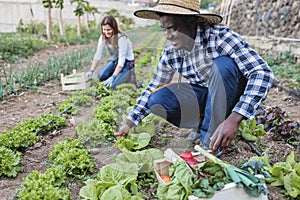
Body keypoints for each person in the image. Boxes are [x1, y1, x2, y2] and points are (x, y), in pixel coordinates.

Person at [114, 0, 274, 153]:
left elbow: (261, 73)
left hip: (231, 98)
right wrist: (130, 122)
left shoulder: (219, 37)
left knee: (223, 66)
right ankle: (203, 125)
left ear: (191, 23)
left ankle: (209, 142)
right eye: (165, 30)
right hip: (207, 97)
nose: (168, 36)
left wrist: (235, 119)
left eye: (173, 28)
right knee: (158, 99)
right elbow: (153, 86)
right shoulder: (171, 53)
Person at [86, 15, 135, 89]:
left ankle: (126, 76)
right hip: (115, 61)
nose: (106, 32)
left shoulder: (121, 38)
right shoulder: (103, 37)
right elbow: (98, 55)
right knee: (101, 75)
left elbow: (121, 61)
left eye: (108, 30)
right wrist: (91, 71)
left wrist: (113, 77)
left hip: (126, 64)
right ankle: (118, 75)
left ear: (114, 28)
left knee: (113, 86)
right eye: (104, 29)